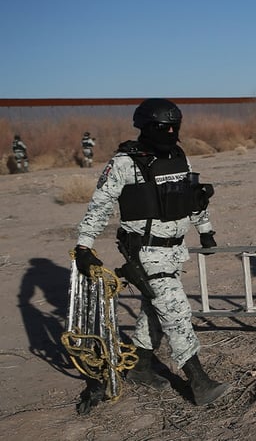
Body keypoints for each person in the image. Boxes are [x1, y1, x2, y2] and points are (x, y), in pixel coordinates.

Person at [71, 98, 227, 411]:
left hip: (174, 251)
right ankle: (198, 381)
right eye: (164, 127)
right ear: (146, 126)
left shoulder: (179, 157)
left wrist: (205, 229)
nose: (170, 131)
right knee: (175, 311)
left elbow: (193, 197)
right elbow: (101, 203)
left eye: (175, 126)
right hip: (145, 253)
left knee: (154, 311)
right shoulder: (125, 162)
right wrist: (84, 246)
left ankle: (140, 368)